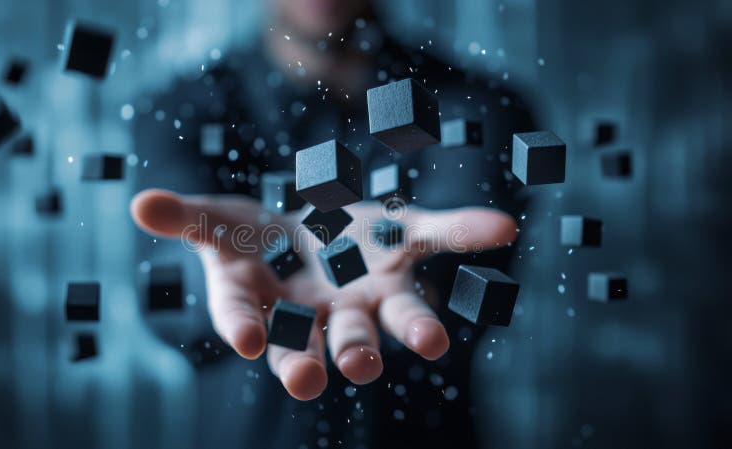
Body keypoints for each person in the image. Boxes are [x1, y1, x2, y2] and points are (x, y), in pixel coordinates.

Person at [131, 0, 535, 447]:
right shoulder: (178, 111)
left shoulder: (476, 105)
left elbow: (473, 262)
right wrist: (216, 274)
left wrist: (412, 269)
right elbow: (165, 294)